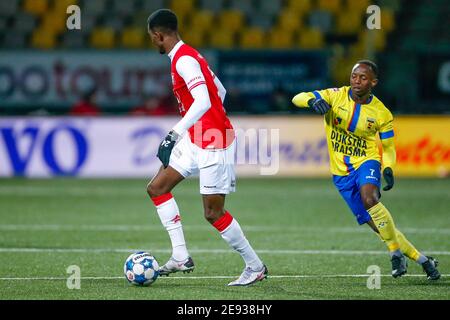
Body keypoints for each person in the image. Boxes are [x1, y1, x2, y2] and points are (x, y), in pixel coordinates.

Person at [146, 9, 268, 286]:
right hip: (198, 136)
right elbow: (220, 92)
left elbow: (203, 101)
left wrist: (173, 134)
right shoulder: (190, 55)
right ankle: (180, 256)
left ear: (158, 35)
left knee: (213, 212)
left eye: (151, 38)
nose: (152, 42)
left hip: (213, 140)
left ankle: (255, 266)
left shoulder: (184, 60)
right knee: (157, 187)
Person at [291, 60, 440, 280]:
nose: (356, 81)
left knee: (370, 199)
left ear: (373, 82)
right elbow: (297, 98)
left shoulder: (381, 113)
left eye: (363, 78)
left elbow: (388, 148)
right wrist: (313, 100)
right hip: (341, 174)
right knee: (378, 225)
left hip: (366, 162)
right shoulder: (336, 95)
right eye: (354, 76)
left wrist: (388, 167)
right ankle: (424, 260)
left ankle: (394, 252)